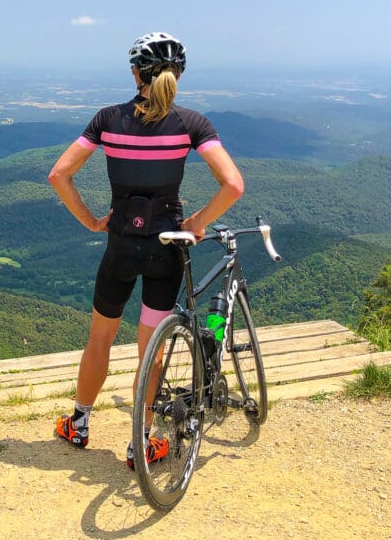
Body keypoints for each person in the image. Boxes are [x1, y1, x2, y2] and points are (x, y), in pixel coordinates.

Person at [48, 32, 245, 469]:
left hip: (119, 246)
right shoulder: (192, 124)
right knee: (151, 349)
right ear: (178, 76)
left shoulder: (107, 119)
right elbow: (233, 185)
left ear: (135, 72)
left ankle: (78, 423)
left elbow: (58, 175)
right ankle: (141, 442)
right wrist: (197, 222)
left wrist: (92, 220)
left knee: (99, 338)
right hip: (165, 249)